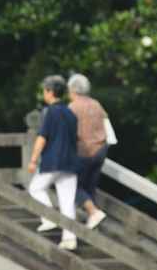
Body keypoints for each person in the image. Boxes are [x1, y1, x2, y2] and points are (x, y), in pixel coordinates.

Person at [28, 75, 81, 251]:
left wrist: (34, 160)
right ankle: (69, 238)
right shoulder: (71, 113)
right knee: (67, 201)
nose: (44, 93)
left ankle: (49, 217)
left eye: (45, 90)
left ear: (50, 92)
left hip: (53, 160)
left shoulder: (50, 112)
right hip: (70, 162)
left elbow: (43, 137)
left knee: (35, 188)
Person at [66, 73, 110, 229]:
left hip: (84, 152)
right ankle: (93, 220)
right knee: (90, 188)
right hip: (100, 151)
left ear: (73, 90)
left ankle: (93, 212)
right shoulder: (97, 104)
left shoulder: (73, 107)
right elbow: (106, 125)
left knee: (72, 186)